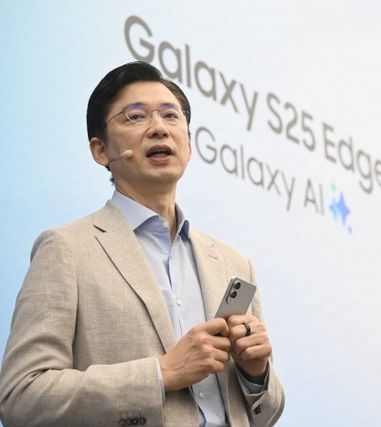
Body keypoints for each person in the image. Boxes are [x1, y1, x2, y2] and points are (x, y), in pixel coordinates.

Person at [0, 61, 284, 426]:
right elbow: (21, 397)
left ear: (189, 145)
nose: (159, 128)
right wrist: (161, 374)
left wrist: (255, 373)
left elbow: (266, 415)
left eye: (171, 115)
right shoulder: (66, 249)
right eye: (135, 117)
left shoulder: (233, 263)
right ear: (100, 150)